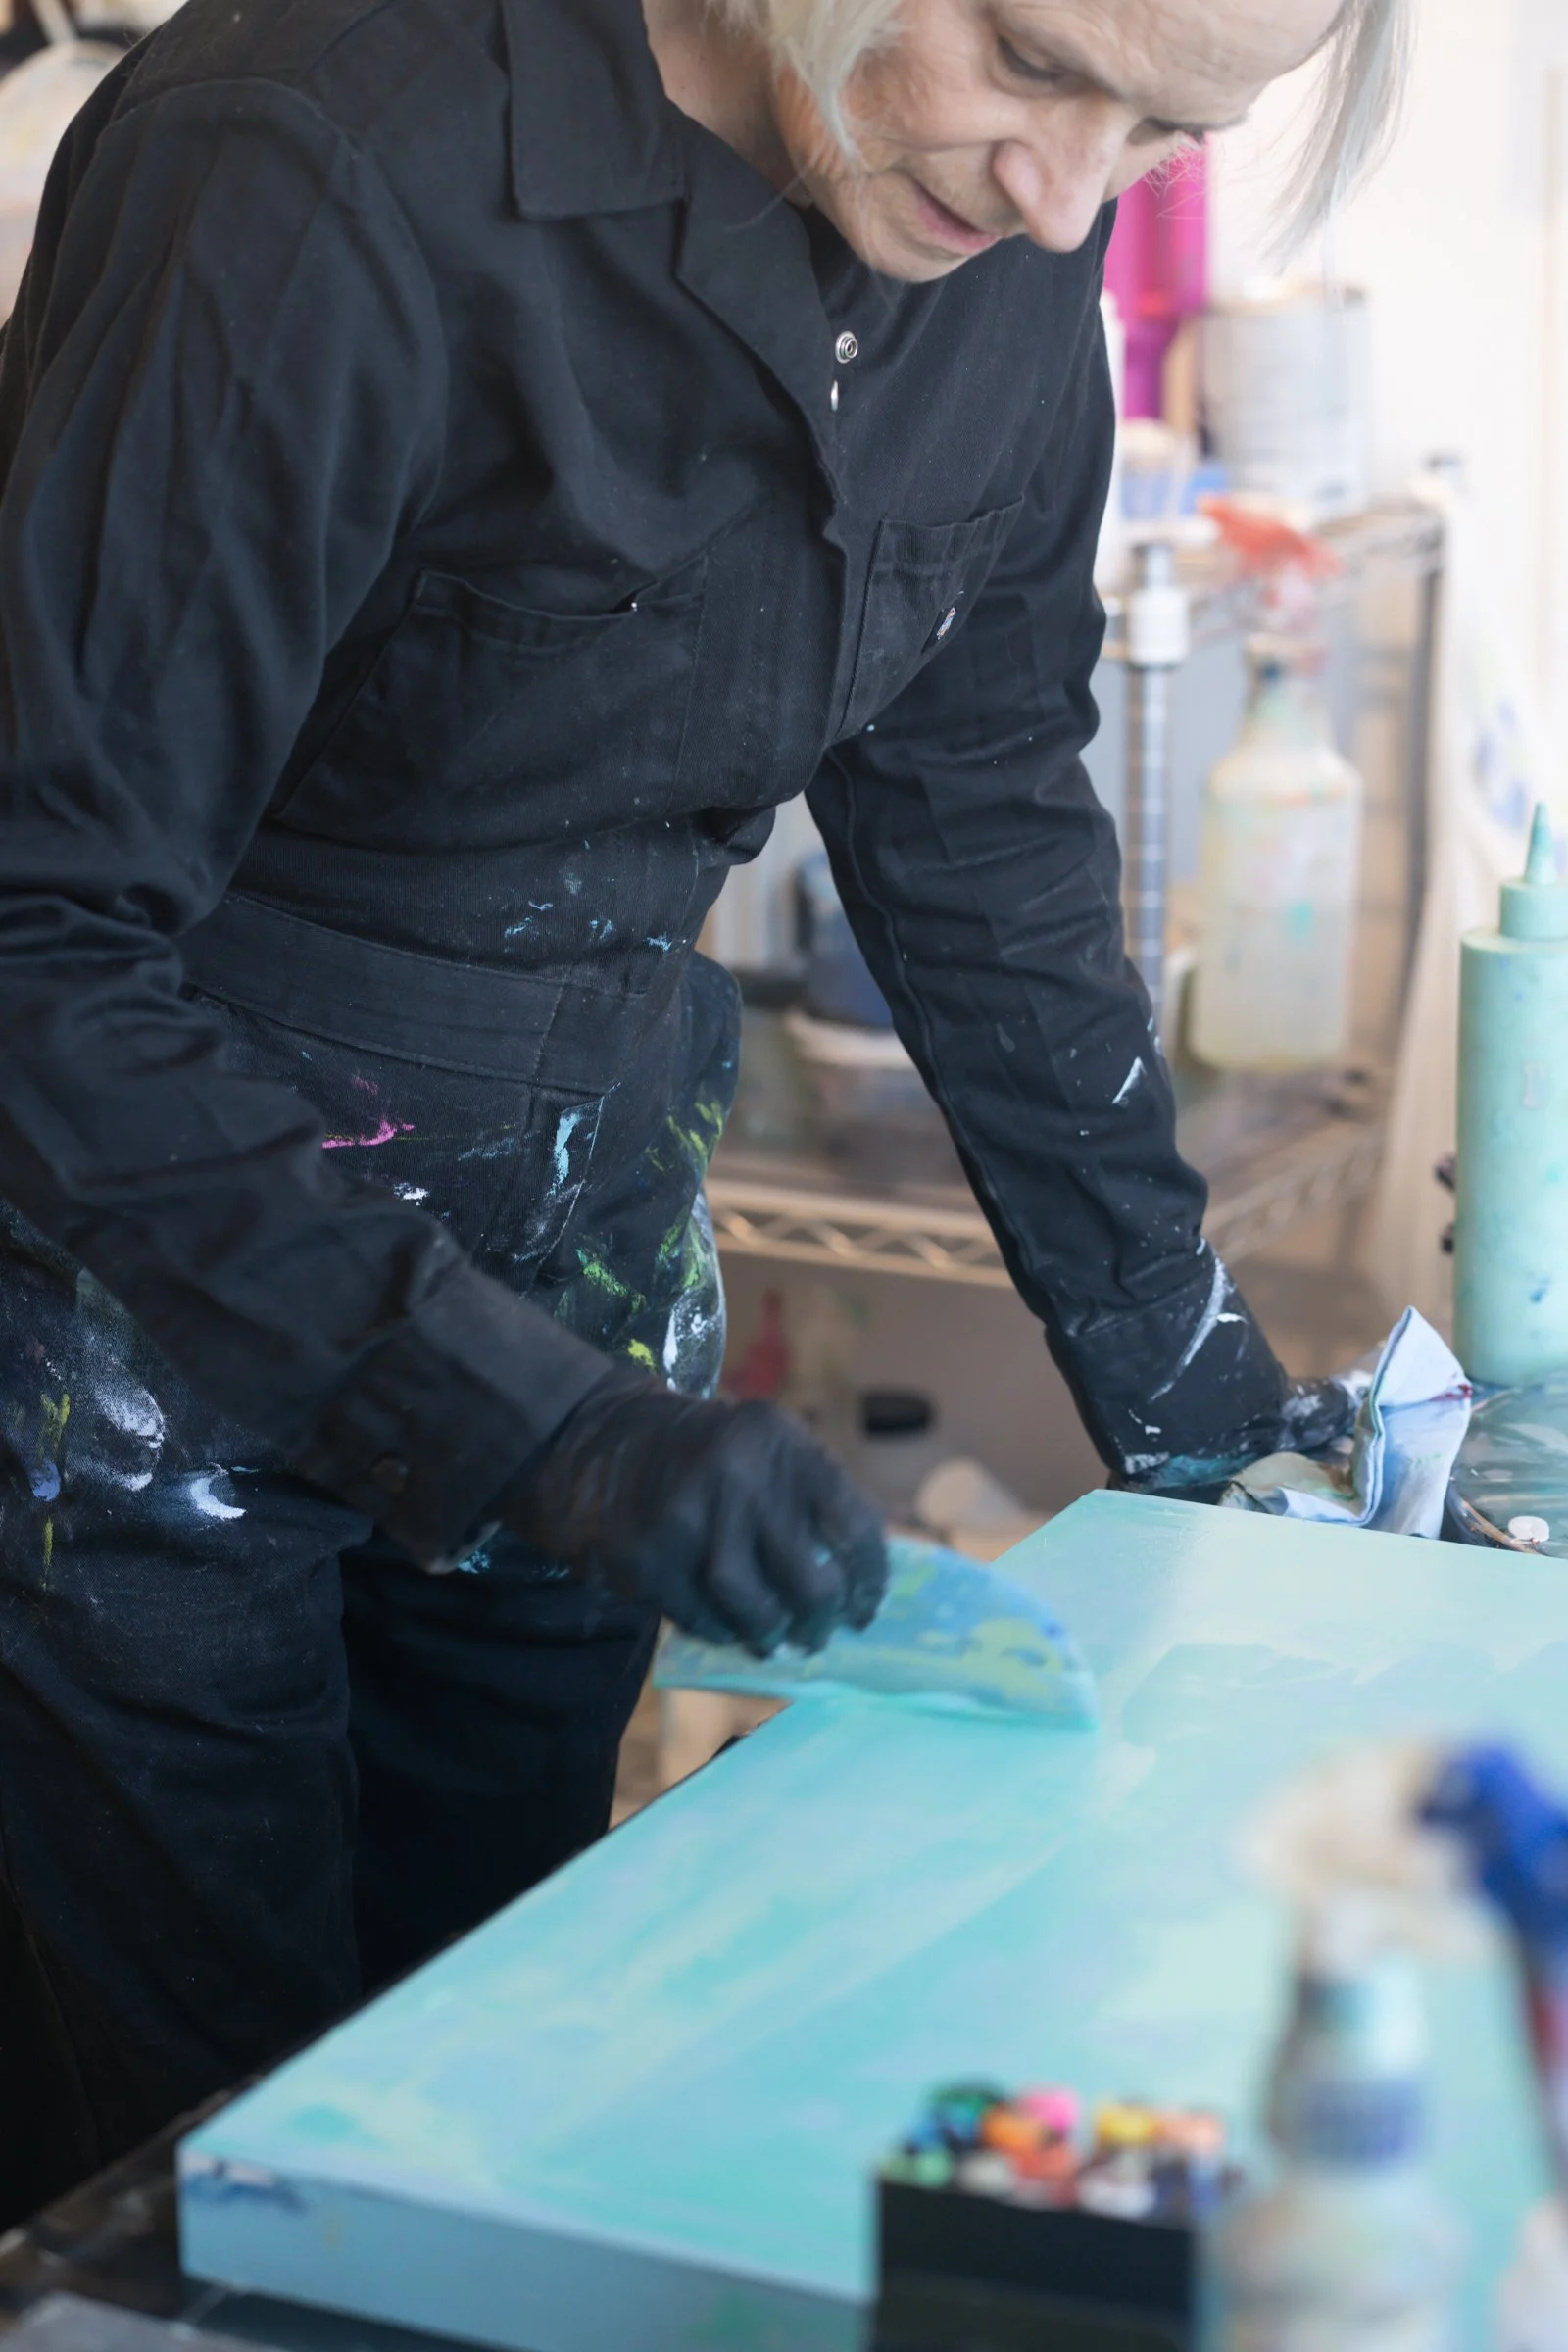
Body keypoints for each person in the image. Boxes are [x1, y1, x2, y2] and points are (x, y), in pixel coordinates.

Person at [0, 0, 1405, 2222]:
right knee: (219, 2188)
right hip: (141, 1329)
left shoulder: (999, 254)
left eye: (1163, 135)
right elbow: (33, 931)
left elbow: (974, 829)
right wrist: (531, 1429)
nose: (1066, 201)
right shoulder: (304, 161)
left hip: (579, 1274)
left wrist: (1208, 1416)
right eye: (1033, 61)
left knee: (480, 2113)